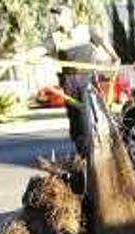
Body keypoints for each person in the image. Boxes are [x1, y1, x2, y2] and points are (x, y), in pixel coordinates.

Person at [44, 4, 119, 155]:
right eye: (54, 15)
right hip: (69, 83)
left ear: (69, 15)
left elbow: (109, 50)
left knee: (88, 122)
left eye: (59, 15)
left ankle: (96, 154)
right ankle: (84, 158)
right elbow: (41, 49)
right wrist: (26, 56)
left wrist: (115, 60)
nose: (56, 18)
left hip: (87, 81)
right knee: (76, 125)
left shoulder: (87, 30)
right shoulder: (55, 38)